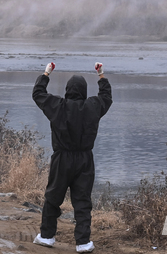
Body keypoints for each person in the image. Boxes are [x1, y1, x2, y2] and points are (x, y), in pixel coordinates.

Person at [32, 62, 112, 253]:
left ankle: (47, 237)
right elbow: (106, 97)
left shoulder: (58, 106)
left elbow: (38, 94)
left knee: (53, 197)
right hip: (85, 160)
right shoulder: (92, 106)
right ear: (84, 91)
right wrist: (101, 74)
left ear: (67, 90)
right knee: (82, 201)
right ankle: (83, 243)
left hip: (62, 159)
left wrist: (46, 73)